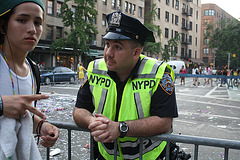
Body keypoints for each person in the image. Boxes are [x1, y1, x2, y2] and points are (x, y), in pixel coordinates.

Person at [73, 11, 178, 160]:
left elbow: (164, 122)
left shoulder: (159, 72)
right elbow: (79, 110)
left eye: (118, 47)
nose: (108, 53)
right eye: (107, 44)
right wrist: (93, 122)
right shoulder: (95, 69)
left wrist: (120, 128)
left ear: (136, 53)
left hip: (150, 157)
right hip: (107, 156)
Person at [0, 0, 59, 159]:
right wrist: (1, 105)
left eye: (38, 22)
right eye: (22, 20)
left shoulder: (33, 70)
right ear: (3, 25)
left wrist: (41, 125)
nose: (32, 29)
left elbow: (20, 113)